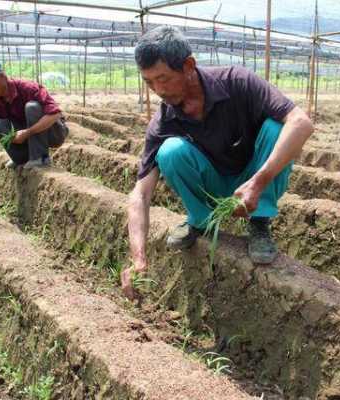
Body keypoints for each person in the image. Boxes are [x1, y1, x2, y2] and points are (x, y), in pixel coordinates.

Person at [121, 26, 314, 299]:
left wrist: (258, 182)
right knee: (170, 151)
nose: (158, 90)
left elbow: (302, 123)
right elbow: (140, 194)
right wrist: (138, 258)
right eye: (149, 82)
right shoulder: (164, 121)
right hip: (214, 183)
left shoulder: (237, 82)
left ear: (188, 66)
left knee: (276, 127)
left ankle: (259, 222)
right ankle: (201, 219)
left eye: (163, 78)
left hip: (254, 180)